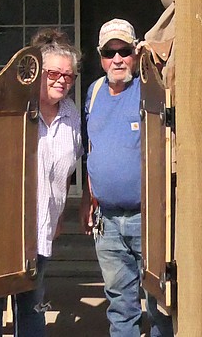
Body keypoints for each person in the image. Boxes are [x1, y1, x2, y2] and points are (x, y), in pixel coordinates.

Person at [0, 28, 83, 337]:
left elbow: (65, 170)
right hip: (1, 230)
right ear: (37, 73)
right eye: (54, 74)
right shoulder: (9, 110)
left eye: (69, 76)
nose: (62, 80)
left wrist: (59, 216)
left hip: (43, 229)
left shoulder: (72, 113)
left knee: (32, 305)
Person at [81, 18, 172, 337]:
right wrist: (87, 199)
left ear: (136, 52)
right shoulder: (92, 93)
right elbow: (91, 150)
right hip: (106, 221)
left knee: (159, 301)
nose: (117, 59)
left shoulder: (152, 90)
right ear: (100, 55)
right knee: (120, 302)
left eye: (124, 51)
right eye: (109, 52)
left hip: (147, 219)